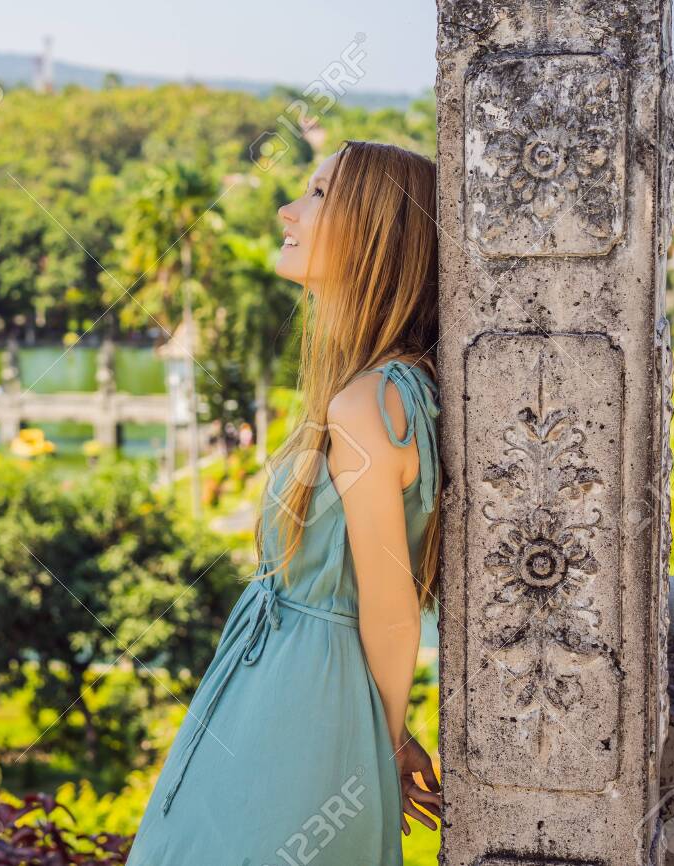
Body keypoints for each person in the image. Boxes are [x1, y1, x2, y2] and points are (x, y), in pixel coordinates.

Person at [125, 141, 443, 866]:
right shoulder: (384, 388)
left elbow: (392, 611)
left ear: (377, 232)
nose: (288, 210)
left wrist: (380, 741)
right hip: (281, 698)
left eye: (321, 194)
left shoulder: (370, 403)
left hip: (304, 714)